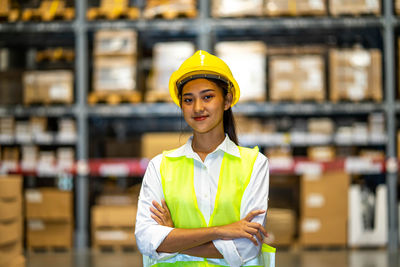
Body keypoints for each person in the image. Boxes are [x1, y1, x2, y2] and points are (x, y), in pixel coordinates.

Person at [135, 50, 272, 267]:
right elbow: (145, 239)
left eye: (207, 97)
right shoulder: (159, 166)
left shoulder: (255, 164)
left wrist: (173, 238)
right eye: (188, 100)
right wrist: (220, 231)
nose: (198, 108)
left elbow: (247, 246)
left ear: (227, 100)